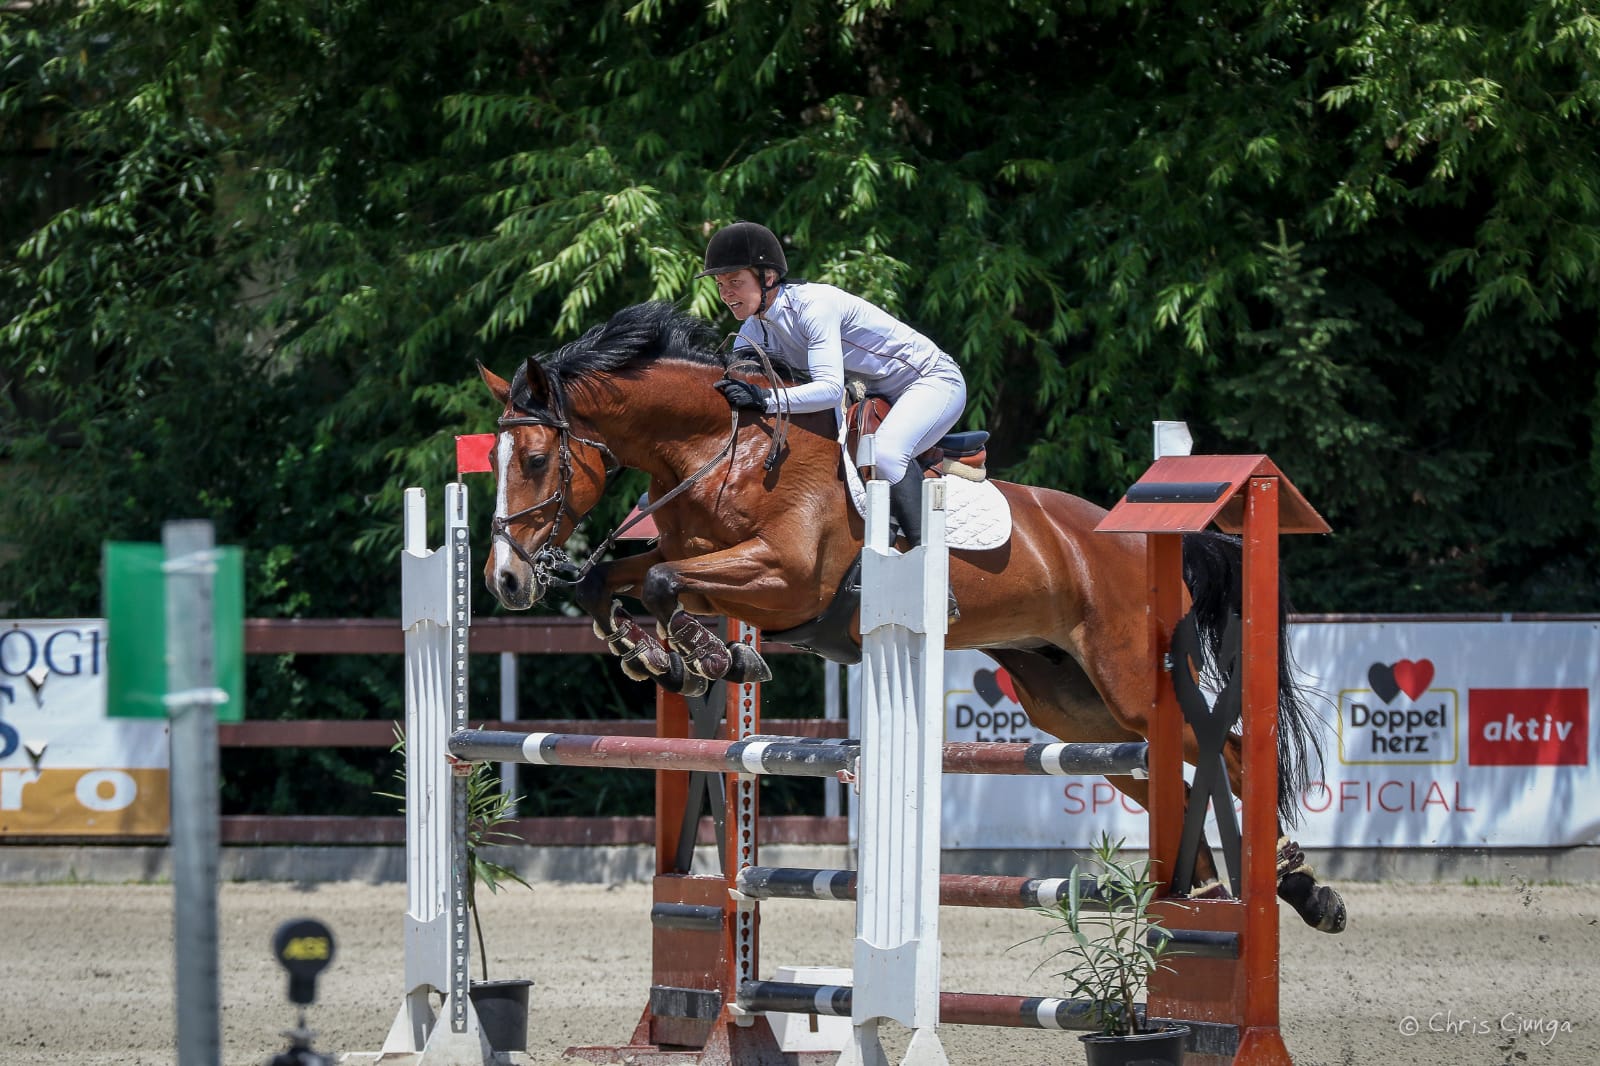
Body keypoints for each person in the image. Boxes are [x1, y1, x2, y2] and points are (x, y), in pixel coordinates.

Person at [697, 221, 967, 549]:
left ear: (767, 278)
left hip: (932, 380)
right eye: (720, 284)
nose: (726, 294)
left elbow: (828, 391)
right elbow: (732, 382)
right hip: (880, 394)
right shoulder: (756, 326)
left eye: (735, 282)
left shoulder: (814, 306)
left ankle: (929, 561)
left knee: (886, 453)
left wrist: (765, 398)